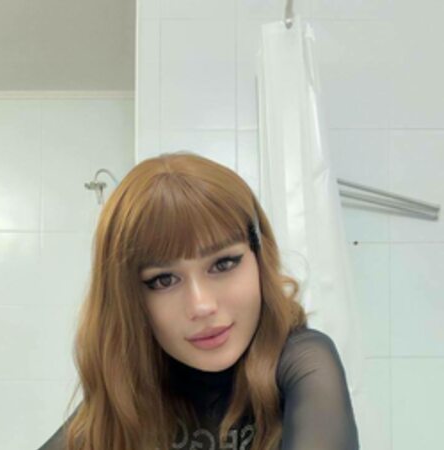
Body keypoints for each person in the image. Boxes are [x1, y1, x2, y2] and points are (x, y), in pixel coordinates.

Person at [37, 151, 359, 450]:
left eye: (223, 264)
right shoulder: (128, 386)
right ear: (128, 298)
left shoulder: (303, 361)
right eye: (164, 280)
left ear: (259, 257)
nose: (201, 306)